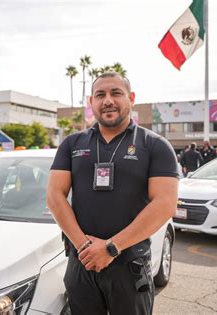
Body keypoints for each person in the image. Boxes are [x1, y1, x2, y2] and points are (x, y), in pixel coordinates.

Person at [47, 72, 179, 315]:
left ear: (131, 98)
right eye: (100, 95)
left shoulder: (155, 145)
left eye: (116, 93)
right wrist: (86, 247)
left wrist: (110, 248)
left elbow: (165, 204)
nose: (107, 100)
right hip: (81, 263)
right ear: (91, 102)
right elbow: (55, 197)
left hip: (129, 265)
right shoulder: (72, 144)